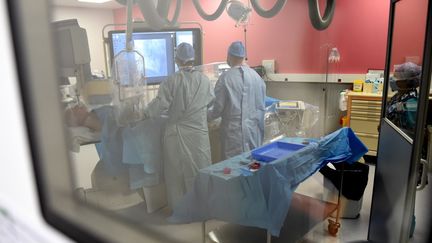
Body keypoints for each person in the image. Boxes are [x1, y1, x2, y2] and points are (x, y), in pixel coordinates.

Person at [143, 42, 214, 209]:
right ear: (193, 58)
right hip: (198, 135)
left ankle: (180, 211)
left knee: (176, 175)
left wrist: (145, 113)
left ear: (176, 59)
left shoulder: (171, 81)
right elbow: (210, 100)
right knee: (200, 170)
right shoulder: (204, 80)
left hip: (176, 134)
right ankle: (202, 210)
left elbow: (160, 104)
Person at [208, 41, 266, 160]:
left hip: (234, 136)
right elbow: (261, 107)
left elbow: (216, 109)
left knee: (233, 170)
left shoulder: (225, 78)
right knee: (253, 167)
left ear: (229, 56)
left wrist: (203, 116)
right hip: (253, 133)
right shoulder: (257, 78)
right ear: (243, 56)